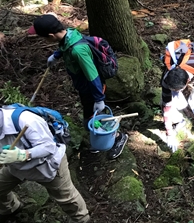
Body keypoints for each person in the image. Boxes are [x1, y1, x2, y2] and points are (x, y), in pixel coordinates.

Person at [28, 14, 128, 159]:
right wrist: (56, 55)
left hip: (92, 89)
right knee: (90, 116)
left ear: (51, 35)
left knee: (93, 116)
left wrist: (99, 99)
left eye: (44, 37)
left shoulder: (78, 51)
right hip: (84, 87)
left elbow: (92, 76)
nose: (44, 40)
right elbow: (65, 45)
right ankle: (99, 138)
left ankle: (118, 137)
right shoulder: (69, 34)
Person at [0, 106, 90, 222]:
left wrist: (23, 155)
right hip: (16, 167)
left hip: (47, 165)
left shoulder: (26, 120)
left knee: (67, 198)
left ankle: (82, 219)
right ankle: (11, 208)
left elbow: (49, 147)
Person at [161, 40, 194, 152]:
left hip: (190, 69)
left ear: (187, 81)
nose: (175, 91)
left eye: (177, 90)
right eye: (173, 89)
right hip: (176, 72)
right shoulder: (166, 81)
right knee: (170, 101)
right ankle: (180, 119)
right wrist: (169, 134)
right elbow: (166, 107)